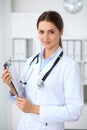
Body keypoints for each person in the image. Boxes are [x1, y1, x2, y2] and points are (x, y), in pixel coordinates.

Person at [2, 10, 83, 130]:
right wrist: (12, 86)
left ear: (61, 32)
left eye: (51, 32)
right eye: (41, 32)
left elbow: (74, 111)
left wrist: (34, 109)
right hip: (24, 125)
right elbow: (24, 98)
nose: (45, 37)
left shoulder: (69, 66)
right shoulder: (30, 62)